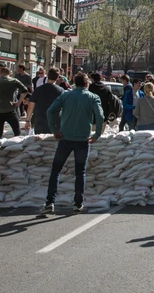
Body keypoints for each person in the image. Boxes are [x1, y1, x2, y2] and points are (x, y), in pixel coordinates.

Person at [40, 73, 105, 215]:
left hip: (65, 138)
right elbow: (100, 116)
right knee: (80, 172)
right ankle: (77, 203)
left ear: (74, 83)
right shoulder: (93, 97)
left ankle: (49, 202)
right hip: (83, 139)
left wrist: (54, 129)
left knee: (56, 170)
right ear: (87, 84)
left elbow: (51, 111)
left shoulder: (65, 95)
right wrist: (97, 134)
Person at [0, 66, 28, 138]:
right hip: (10, 109)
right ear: (10, 73)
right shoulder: (14, 81)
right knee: (17, 131)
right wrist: (19, 102)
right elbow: (25, 90)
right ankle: (17, 146)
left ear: (1, 73)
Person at [26, 69, 65, 135]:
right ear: (57, 77)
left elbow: (31, 106)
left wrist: (28, 120)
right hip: (55, 122)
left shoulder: (38, 90)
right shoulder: (61, 91)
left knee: (39, 143)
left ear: (47, 75)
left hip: (40, 121)